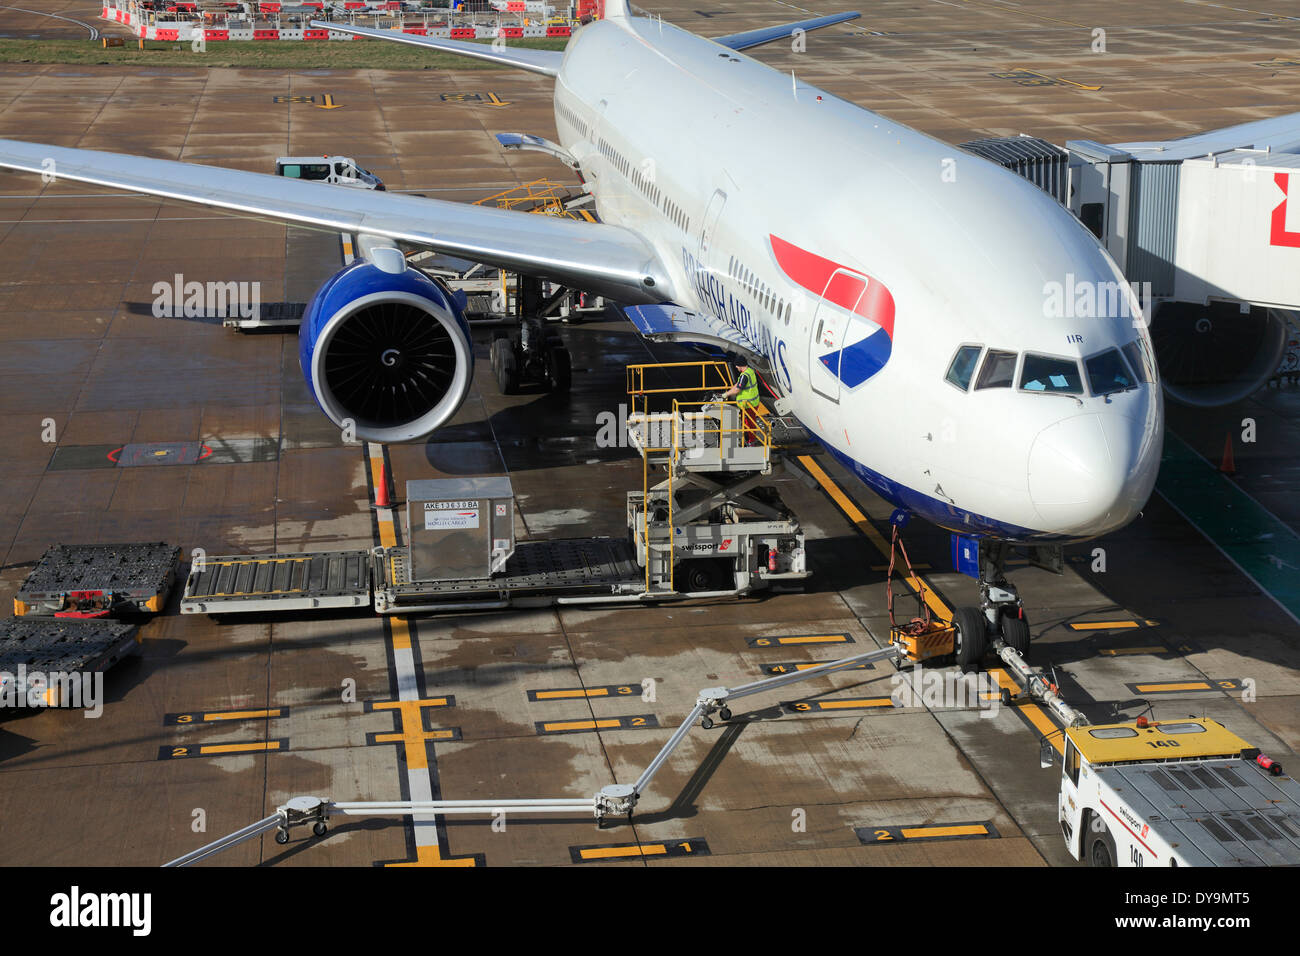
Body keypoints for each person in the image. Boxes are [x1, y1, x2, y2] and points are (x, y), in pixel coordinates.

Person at [721, 358, 761, 446]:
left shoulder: (744, 376)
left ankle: (751, 442)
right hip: (752, 403)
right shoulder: (749, 371)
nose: (736, 367)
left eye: (736, 365)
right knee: (748, 422)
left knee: (749, 424)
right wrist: (729, 391)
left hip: (748, 404)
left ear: (740, 365)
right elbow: (738, 384)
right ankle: (748, 439)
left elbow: (737, 389)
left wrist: (725, 395)